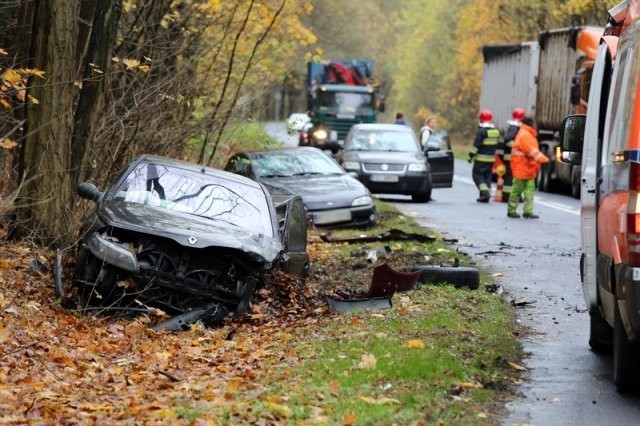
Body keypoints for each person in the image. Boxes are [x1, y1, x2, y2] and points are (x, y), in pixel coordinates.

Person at [507, 115, 549, 218]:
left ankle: (528, 211)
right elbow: (530, 150)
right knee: (517, 190)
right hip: (522, 168)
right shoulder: (525, 134)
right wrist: (543, 158)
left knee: (529, 191)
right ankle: (511, 211)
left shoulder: (527, 133)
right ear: (531, 124)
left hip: (528, 168)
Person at [468, 109, 501, 202]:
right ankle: (485, 196)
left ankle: (485, 193)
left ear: (481, 119)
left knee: (477, 175)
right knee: (487, 176)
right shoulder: (496, 131)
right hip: (491, 159)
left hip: (481, 159)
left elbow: (475, 147)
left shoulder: (481, 132)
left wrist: (470, 156)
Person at [496, 108, 525, 202]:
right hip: (512, 158)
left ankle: (516, 196)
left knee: (515, 178)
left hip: (512, 158)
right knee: (510, 179)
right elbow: (508, 140)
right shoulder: (513, 127)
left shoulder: (511, 125)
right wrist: (518, 147)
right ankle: (507, 196)